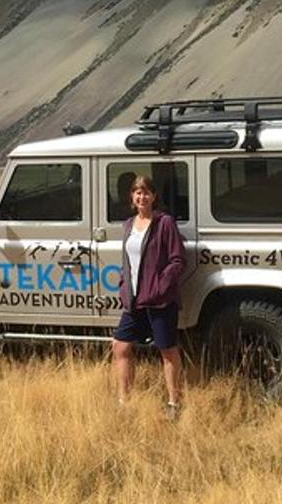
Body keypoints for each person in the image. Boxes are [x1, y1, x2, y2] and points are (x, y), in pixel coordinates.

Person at [111, 175, 186, 416]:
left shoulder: (164, 223)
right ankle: (124, 402)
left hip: (159, 300)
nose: (141, 197)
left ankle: (174, 403)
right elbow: (128, 261)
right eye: (137, 192)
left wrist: (160, 287)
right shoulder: (128, 224)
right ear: (132, 197)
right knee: (120, 346)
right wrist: (124, 284)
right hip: (134, 299)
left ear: (154, 196)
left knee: (166, 349)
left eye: (146, 193)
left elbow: (177, 259)